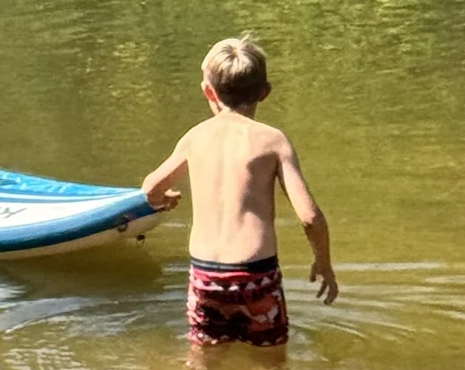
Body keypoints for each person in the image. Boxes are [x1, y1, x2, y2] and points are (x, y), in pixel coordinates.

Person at [142, 35, 338, 346]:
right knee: (271, 364)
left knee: (203, 363)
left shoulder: (195, 138)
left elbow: (151, 188)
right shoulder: (273, 141)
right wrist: (323, 262)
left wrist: (162, 200)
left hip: (205, 276)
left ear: (208, 91)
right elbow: (310, 217)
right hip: (255, 275)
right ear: (265, 92)